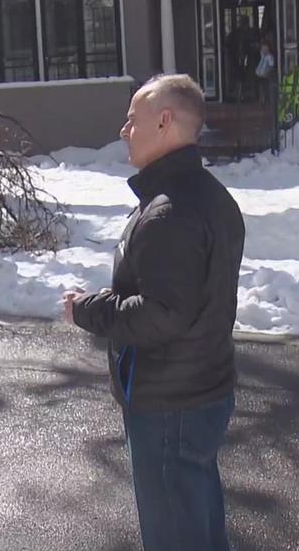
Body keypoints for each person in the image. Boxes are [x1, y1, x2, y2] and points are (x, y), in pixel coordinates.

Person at [62, 74, 246, 551]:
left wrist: (88, 309)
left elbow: (162, 315)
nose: (124, 130)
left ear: (164, 121)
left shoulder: (170, 212)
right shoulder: (208, 197)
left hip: (170, 404)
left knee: (176, 535)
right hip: (199, 391)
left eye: (132, 120)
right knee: (199, 522)